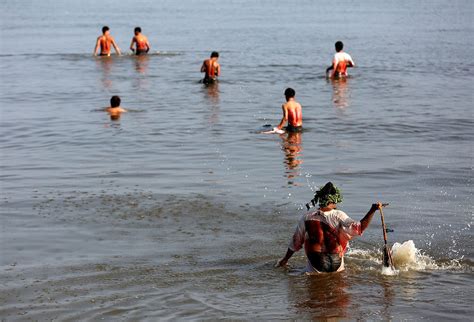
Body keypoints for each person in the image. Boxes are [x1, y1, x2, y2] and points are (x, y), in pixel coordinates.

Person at [275, 182, 382, 273]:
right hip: (336, 262)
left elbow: (296, 241)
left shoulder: (307, 217)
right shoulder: (338, 215)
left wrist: (285, 260)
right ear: (332, 201)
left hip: (316, 262)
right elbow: (359, 228)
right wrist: (372, 210)